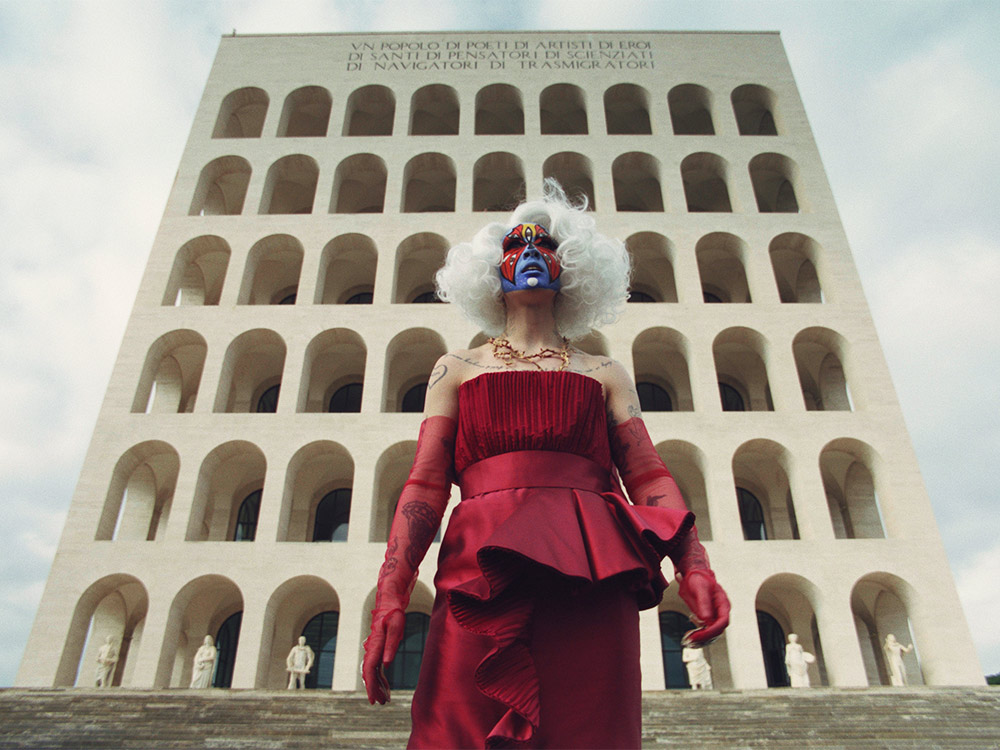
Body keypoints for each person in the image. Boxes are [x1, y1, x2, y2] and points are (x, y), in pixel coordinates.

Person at [362, 181, 730, 749]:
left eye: (547, 246)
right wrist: (392, 591)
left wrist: (694, 564)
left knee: (586, 727)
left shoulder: (602, 371)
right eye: (515, 245)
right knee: (457, 723)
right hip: (481, 567)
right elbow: (427, 483)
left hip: (589, 571)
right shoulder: (456, 367)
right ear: (493, 270)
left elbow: (649, 473)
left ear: (570, 268)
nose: (532, 253)